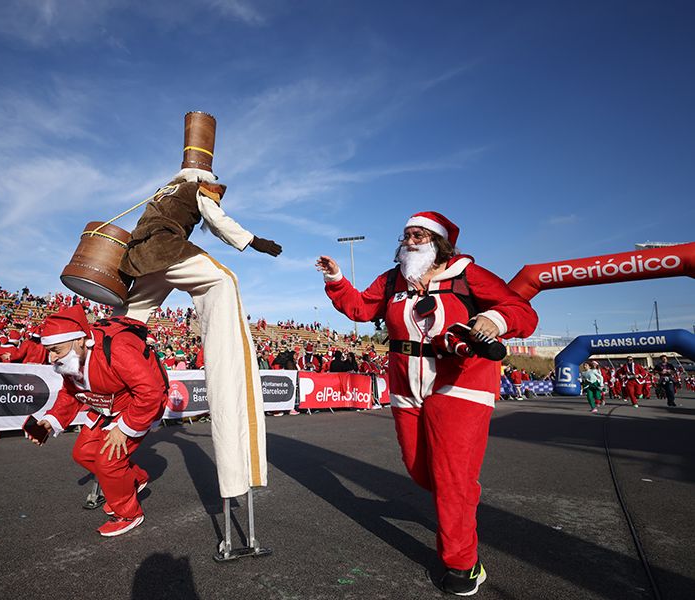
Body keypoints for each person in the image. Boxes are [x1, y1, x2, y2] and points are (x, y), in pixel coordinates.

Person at [317, 211, 537, 596]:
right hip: (406, 384)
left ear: (439, 242)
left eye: (419, 234)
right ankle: (460, 505)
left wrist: (492, 320)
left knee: (452, 476)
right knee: (422, 471)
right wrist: (336, 279)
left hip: (461, 381)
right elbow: (360, 309)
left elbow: (522, 311)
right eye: (406, 234)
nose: (411, 239)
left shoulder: (469, 274)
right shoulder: (391, 280)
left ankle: (462, 565)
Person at [114, 112, 280, 502]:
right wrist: (253, 241)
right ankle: (236, 468)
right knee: (225, 282)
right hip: (169, 251)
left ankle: (109, 392)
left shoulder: (161, 192)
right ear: (205, 174)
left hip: (141, 260)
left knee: (126, 327)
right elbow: (215, 218)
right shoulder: (198, 188)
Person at [27, 305, 168, 537]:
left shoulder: (118, 348)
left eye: (55, 350)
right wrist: (51, 421)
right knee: (83, 453)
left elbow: (150, 392)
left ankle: (128, 514)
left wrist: (124, 429)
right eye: (49, 351)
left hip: (136, 404)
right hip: (106, 404)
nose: (51, 358)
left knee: (108, 461)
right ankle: (133, 479)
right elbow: (70, 392)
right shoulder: (72, 355)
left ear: (80, 340)